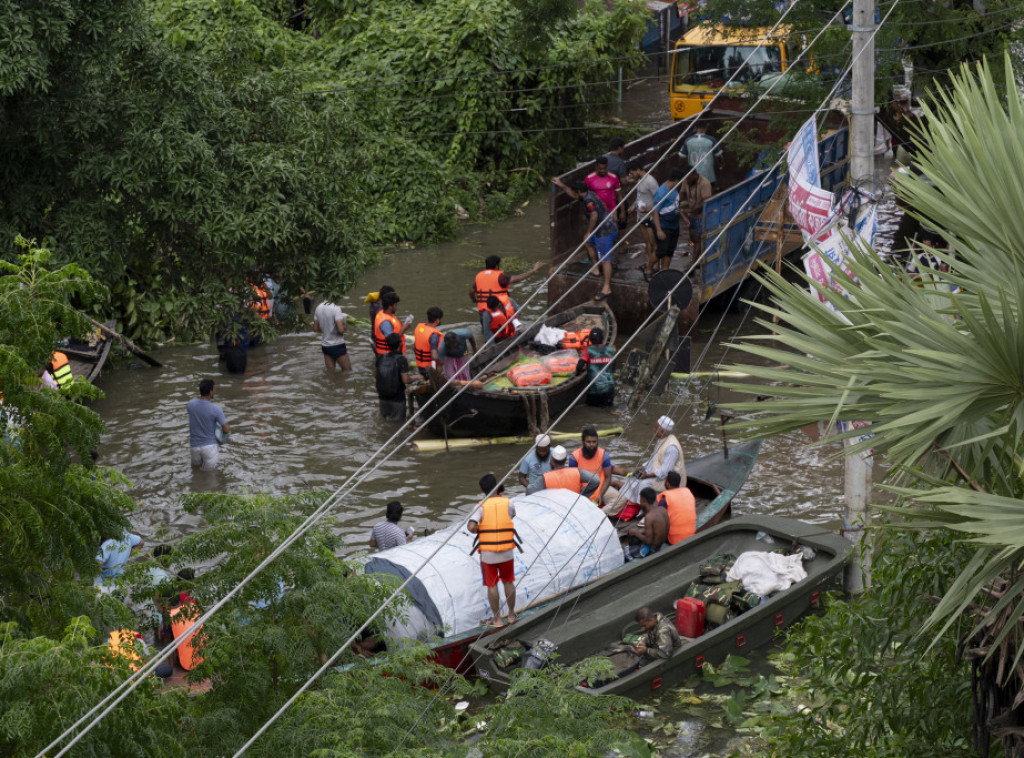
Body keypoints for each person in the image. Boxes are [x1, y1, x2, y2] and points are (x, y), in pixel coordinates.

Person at [604, 415, 686, 519]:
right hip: (656, 472)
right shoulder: (662, 440)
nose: (654, 430)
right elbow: (654, 459)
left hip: (666, 479)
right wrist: (640, 468)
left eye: (656, 428)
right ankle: (626, 501)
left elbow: (665, 471)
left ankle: (645, 510)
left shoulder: (671, 448)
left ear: (663, 432)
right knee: (634, 477)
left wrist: (646, 476)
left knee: (643, 483)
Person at [468, 474, 520, 627]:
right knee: (508, 582)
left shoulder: (480, 506)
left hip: (488, 554)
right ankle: (511, 615)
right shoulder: (508, 503)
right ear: (498, 487)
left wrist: (481, 530)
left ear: (482, 490)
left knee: (492, 585)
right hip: (506, 551)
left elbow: (471, 527)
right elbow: (511, 516)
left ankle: (497, 619)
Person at [470, 255, 542, 329]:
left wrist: (474, 300)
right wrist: (533, 270)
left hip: (483, 312)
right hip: (499, 311)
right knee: (514, 308)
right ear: (496, 266)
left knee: (486, 331)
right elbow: (517, 279)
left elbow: (471, 291)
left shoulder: (479, 276)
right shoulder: (500, 277)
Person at [568, 427, 630, 505]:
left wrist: (600, 494)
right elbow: (574, 481)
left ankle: (602, 513)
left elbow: (608, 477)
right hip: (583, 490)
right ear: (583, 442)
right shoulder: (574, 457)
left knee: (621, 500)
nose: (591, 445)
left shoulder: (604, 455)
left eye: (594, 442)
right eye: (588, 442)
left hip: (601, 488)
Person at [187, 379, 229, 470]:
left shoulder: (190, 404)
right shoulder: (216, 409)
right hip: (209, 447)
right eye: (214, 389)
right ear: (210, 392)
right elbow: (226, 429)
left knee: (196, 472)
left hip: (194, 446)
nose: (214, 391)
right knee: (210, 477)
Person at [526, 445, 600, 498]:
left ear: (552, 460)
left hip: (554, 510)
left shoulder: (545, 478)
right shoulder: (577, 472)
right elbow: (595, 480)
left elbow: (529, 491)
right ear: (565, 460)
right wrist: (581, 496)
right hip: (574, 506)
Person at [628, 161, 660, 280]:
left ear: (638, 169)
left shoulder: (650, 181)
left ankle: (655, 267)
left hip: (649, 216)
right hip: (640, 216)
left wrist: (649, 210)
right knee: (647, 242)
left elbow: (659, 199)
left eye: (632, 173)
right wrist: (633, 205)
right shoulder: (640, 180)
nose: (631, 176)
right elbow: (639, 196)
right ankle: (649, 263)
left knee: (653, 243)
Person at [376, 333, 415, 421]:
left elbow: (376, 374)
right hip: (397, 399)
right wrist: (417, 377)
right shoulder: (401, 359)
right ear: (400, 344)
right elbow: (406, 380)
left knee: (385, 421)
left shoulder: (380, 357)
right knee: (398, 424)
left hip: (382, 397)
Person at [651, 168, 684, 271]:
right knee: (661, 250)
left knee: (670, 251)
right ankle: (648, 268)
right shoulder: (661, 192)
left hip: (674, 226)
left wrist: (684, 218)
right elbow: (655, 212)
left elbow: (676, 206)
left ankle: (665, 271)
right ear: (677, 180)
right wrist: (659, 230)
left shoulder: (674, 189)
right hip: (664, 225)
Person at [624, 487, 670, 559]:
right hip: (662, 543)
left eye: (640, 499)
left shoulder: (649, 517)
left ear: (643, 500)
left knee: (626, 551)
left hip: (653, 549)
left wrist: (636, 533)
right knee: (638, 536)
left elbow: (649, 541)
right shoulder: (662, 509)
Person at [678, 170, 714, 260]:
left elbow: (706, 202)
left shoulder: (704, 183)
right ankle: (694, 257)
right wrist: (676, 203)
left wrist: (690, 209)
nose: (688, 181)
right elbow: (681, 194)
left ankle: (693, 264)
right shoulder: (686, 180)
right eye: (686, 179)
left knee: (698, 239)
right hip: (691, 215)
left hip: (701, 216)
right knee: (692, 239)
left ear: (694, 175)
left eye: (689, 179)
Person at [578, 327, 616, 406]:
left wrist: (579, 373)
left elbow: (579, 367)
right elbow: (613, 367)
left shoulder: (587, 350)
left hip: (595, 392)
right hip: (610, 391)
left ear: (590, 339)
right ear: (602, 338)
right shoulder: (611, 350)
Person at [679, 122, 722, 188]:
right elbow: (719, 156)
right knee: (709, 190)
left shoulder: (688, 141)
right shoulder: (712, 140)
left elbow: (681, 157)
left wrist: (682, 168)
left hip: (693, 174)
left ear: (695, 128)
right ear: (706, 128)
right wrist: (722, 164)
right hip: (708, 174)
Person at [585, 156, 624, 227]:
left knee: (613, 229)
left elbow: (619, 195)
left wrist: (622, 212)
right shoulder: (589, 178)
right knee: (599, 232)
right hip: (596, 211)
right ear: (596, 167)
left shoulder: (614, 177)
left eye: (605, 168)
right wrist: (584, 213)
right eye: (600, 169)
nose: (603, 171)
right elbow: (585, 196)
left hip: (611, 209)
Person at [312, 297, 350, 371]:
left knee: (330, 372)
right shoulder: (336, 308)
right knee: (347, 371)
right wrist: (345, 325)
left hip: (325, 346)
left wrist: (326, 330)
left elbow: (315, 328)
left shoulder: (318, 307)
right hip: (337, 345)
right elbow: (341, 330)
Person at [659, 471, 696, 545]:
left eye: (665, 481)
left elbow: (659, 521)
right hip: (691, 534)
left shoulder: (664, 500)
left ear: (668, 484)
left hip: (675, 540)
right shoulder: (688, 492)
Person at [372, 291, 411, 361]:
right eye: (396, 305)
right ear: (390, 306)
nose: (397, 307)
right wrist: (403, 329)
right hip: (388, 357)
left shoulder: (381, 313)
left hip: (386, 354)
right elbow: (392, 341)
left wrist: (403, 327)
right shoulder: (385, 323)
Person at [413, 307, 445, 376]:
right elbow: (434, 357)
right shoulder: (434, 335)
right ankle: (436, 379)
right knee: (441, 359)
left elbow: (414, 348)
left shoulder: (419, 327)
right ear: (437, 320)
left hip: (420, 366)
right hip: (428, 369)